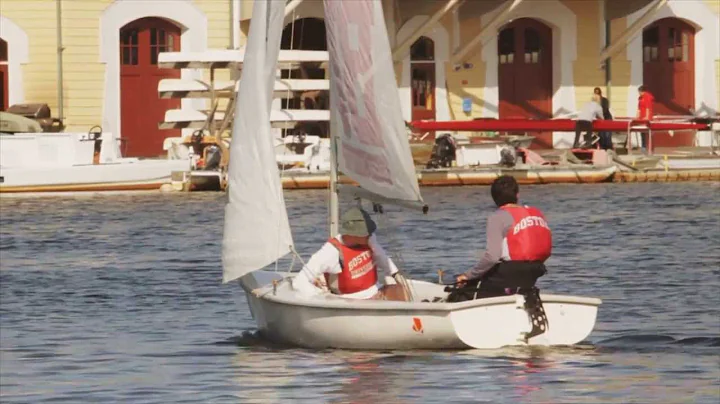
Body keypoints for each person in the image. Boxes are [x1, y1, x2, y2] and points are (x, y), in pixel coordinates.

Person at [453, 176, 552, 300]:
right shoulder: (536, 213)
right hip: (536, 270)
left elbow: (492, 257)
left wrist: (467, 276)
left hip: (510, 271)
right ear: (517, 195)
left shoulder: (498, 217)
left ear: (494, 199)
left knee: (463, 291)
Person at [293, 207, 409, 301]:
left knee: (403, 291)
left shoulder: (369, 239)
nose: (370, 234)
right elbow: (299, 281)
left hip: (376, 292)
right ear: (352, 234)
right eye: (365, 232)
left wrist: (396, 275)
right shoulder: (331, 251)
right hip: (351, 302)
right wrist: (322, 297)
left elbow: (381, 256)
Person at [636, 85, 655, 150]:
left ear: (642, 91)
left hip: (646, 117)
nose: (639, 93)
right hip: (641, 117)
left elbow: (648, 107)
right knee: (642, 132)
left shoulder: (647, 97)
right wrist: (637, 117)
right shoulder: (640, 98)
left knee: (648, 132)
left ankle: (650, 146)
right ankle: (643, 146)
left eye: (639, 92)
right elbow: (638, 108)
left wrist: (647, 117)